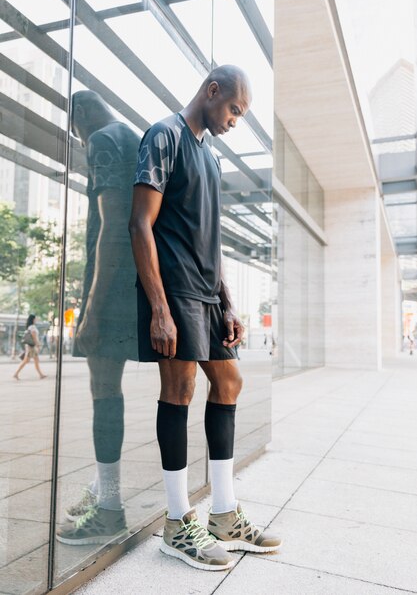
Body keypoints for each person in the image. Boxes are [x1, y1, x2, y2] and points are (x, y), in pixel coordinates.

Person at [129, 65, 281, 571]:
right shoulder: (164, 136)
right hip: (172, 292)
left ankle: (223, 513)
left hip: (209, 295)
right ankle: (177, 523)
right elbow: (140, 224)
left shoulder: (210, 160)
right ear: (212, 92)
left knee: (230, 383)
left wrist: (229, 303)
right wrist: (158, 308)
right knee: (179, 391)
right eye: (234, 109)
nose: (236, 120)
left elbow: (210, 241)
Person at [56, 91, 139, 545]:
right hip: (135, 282)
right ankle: (99, 488)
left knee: (104, 391)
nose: (79, 139)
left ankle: (109, 507)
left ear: (81, 113)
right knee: (110, 390)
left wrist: (91, 308)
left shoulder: (103, 139)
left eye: (75, 131)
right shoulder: (136, 136)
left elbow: (112, 224)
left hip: (110, 287)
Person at [13, 314, 47, 380]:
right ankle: (16, 374)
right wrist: (38, 345)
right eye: (35, 318)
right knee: (27, 361)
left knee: (32, 360)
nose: (36, 320)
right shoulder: (32, 327)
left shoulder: (29, 327)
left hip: (30, 346)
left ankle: (41, 375)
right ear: (33, 319)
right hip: (31, 346)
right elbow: (34, 337)